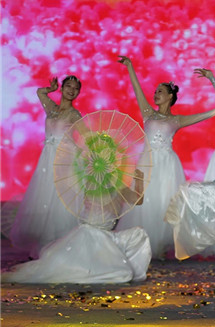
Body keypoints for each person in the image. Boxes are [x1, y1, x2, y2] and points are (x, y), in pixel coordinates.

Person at [116, 56, 215, 258]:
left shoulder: (177, 120)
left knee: (163, 200)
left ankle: (160, 244)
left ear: (170, 96)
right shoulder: (148, 113)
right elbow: (137, 89)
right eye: (155, 91)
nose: (156, 94)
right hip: (147, 163)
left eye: (160, 91)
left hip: (167, 165)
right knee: (144, 200)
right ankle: (142, 242)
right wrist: (130, 66)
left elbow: (207, 114)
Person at [3, 169, 151, 284]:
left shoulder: (117, 187)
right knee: (118, 272)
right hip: (92, 234)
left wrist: (139, 181)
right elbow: (102, 206)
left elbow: (137, 200)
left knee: (139, 234)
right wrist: (115, 195)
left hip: (107, 236)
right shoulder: (92, 185)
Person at [10, 76, 82, 257]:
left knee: (59, 199)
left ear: (78, 93)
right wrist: (50, 89)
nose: (71, 90)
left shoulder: (74, 114)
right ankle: (45, 246)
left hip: (65, 160)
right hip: (48, 159)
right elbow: (39, 92)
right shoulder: (52, 109)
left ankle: (60, 246)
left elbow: (87, 136)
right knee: (45, 199)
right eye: (68, 86)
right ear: (62, 88)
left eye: (75, 88)